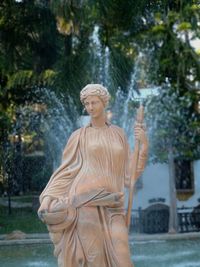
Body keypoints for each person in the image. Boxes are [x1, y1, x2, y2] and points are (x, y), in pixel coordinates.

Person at [38, 84, 148, 267]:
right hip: (85, 202)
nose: (90, 107)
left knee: (124, 259)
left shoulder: (119, 134)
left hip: (114, 204)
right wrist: (48, 198)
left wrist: (143, 145)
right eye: (87, 103)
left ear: (104, 103)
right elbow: (65, 172)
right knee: (94, 258)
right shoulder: (78, 136)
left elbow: (130, 175)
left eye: (94, 102)